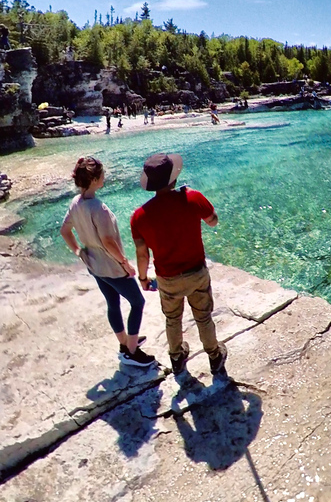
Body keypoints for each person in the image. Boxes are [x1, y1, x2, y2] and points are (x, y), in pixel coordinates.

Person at [130, 153, 227, 378]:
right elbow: (213, 221)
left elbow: (142, 254)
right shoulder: (192, 198)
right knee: (203, 317)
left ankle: (177, 356)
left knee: (173, 318)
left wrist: (143, 278)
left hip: (167, 278)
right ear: (174, 177)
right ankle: (214, 355)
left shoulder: (139, 217)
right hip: (196, 272)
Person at [60, 157, 155, 367]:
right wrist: (125, 263)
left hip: (94, 265)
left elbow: (65, 231)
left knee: (113, 303)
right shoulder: (98, 208)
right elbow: (108, 241)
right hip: (112, 267)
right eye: (102, 174)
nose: (105, 176)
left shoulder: (75, 203)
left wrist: (78, 250)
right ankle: (131, 352)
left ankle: (125, 343)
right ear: (94, 179)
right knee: (138, 302)